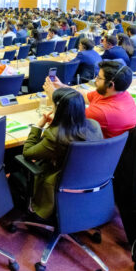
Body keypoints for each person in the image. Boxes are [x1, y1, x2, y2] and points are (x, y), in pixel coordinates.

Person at [20, 88, 103, 219]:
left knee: (16, 172)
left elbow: (27, 152)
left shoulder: (56, 136)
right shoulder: (94, 125)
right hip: (89, 181)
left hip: (59, 182)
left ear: (58, 109)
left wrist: (39, 126)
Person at [45, 60, 136, 138]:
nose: (95, 80)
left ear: (111, 84)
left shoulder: (101, 112)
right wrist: (62, 87)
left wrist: (53, 95)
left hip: (97, 153)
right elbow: (84, 96)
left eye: (99, 78)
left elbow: (64, 120)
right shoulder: (120, 94)